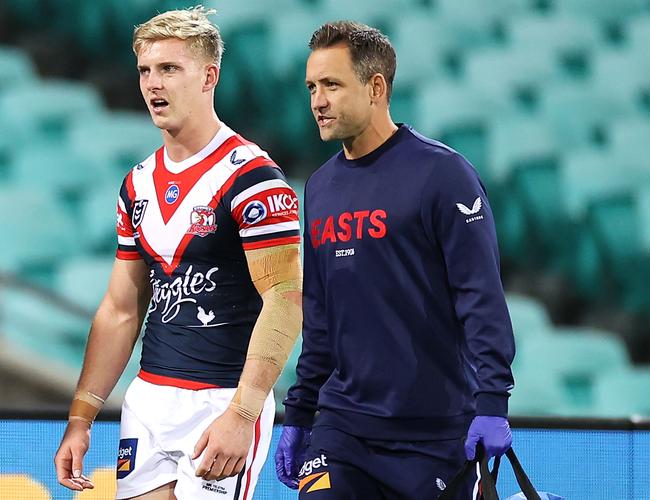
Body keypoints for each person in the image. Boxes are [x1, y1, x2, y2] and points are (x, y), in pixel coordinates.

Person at [54, 6, 303, 499]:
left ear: (209, 76)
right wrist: (80, 418)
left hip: (220, 402)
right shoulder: (137, 183)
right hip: (147, 399)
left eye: (169, 69)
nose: (153, 84)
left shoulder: (253, 177)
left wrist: (243, 413)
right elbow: (121, 309)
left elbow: (285, 298)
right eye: (145, 70)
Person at [274, 21, 515, 499]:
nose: (317, 101)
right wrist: (300, 412)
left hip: (436, 433)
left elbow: (480, 295)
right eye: (311, 87)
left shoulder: (444, 175)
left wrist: (493, 401)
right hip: (344, 430)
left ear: (376, 87)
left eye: (332, 85)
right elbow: (319, 317)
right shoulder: (319, 188)